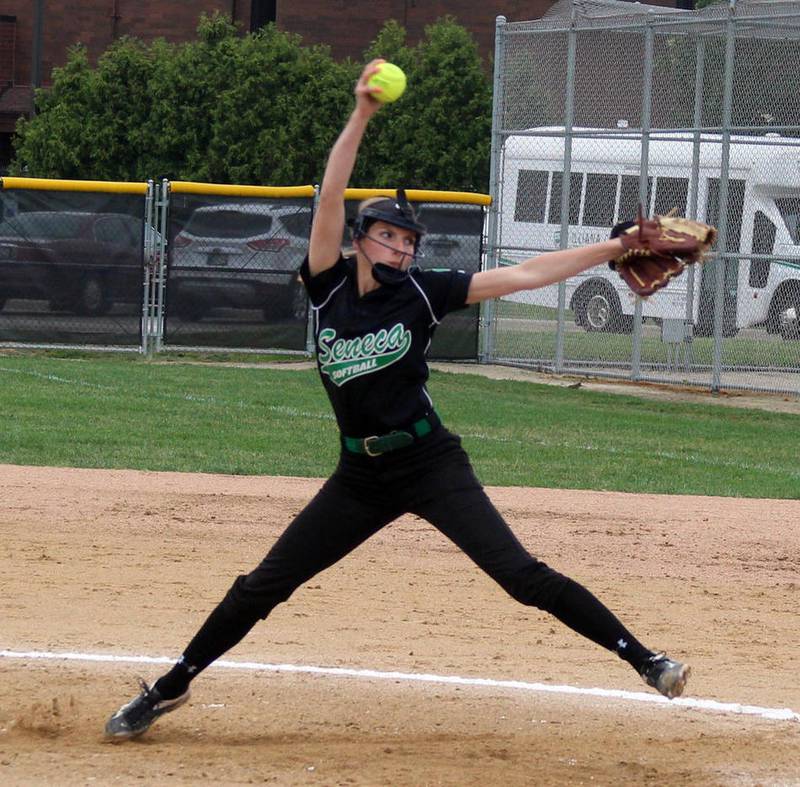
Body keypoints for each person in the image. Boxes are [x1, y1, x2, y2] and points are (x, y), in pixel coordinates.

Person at [105, 60, 689, 740]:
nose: (405, 248)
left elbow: (527, 273)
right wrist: (361, 114)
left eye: (411, 241)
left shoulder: (423, 292)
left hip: (430, 463)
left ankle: (645, 659)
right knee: (262, 584)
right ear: (361, 241)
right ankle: (170, 686)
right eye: (392, 236)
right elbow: (328, 195)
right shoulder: (327, 285)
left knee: (521, 575)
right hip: (360, 476)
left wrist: (612, 247)